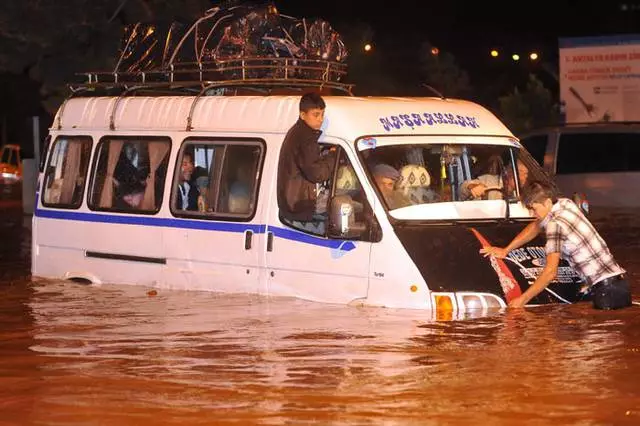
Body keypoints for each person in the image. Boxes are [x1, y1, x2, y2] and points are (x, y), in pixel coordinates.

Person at [480, 180, 632, 310]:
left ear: (546, 202)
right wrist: (506, 250)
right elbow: (536, 225)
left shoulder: (555, 225)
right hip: (620, 285)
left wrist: (522, 300)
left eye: (534, 209)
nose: (533, 214)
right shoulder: (565, 203)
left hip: (606, 292)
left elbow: (550, 272)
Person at [277, 92, 336, 225]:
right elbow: (317, 173)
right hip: (301, 205)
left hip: (294, 204)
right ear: (302, 115)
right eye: (315, 115)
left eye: (322, 114)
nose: (320, 119)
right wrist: (332, 156)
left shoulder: (298, 133)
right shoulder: (305, 138)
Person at [461, 158, 529, 200]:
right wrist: (473, 187)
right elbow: (463, 187)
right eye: (524, 173)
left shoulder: (518, 193)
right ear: (512, 173)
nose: (526, 177)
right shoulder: (488, 180)